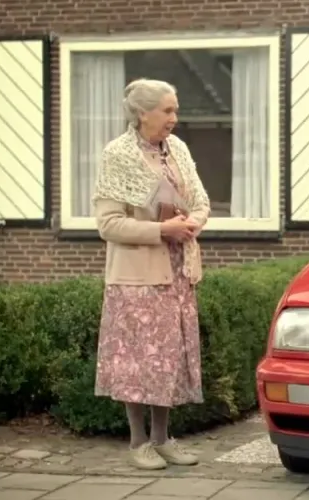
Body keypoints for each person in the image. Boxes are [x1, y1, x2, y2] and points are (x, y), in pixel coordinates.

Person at [92, 78, 211, 470]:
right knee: (137, 362)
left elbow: (200, 202)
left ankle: (162, 439)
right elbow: (109, 224)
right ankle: (138, 442)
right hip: (136, 276)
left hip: (177, 271)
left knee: (167, 360)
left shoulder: (178, 150)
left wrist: (192, 222)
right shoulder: (118, 155)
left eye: (176, 109)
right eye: (167, 110)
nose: (174, 118)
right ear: (143, 113)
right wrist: (162, 230)